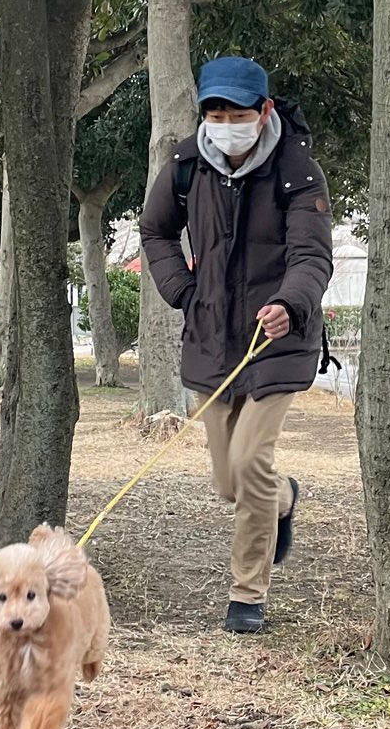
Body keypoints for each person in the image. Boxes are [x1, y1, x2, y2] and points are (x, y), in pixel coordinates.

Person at [140, 56, 334, 634]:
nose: (226, 123)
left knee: (250, 463)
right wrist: (182, 290)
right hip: (211, 339)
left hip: (278, 339)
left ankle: (246, 595)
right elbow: (155, 230)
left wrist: (291, 302)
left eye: (238, 113)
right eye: (216, 112)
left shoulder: (298, 170)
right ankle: (284, 498)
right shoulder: (184, 164)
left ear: (264, 111)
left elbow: (312, 256)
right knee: (230, 482)